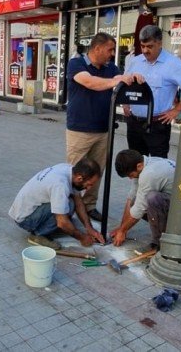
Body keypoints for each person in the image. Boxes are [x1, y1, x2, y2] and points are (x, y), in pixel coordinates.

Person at [66, 32, 143, 222]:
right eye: (109, 50)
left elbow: (122, 81)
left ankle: (89, 206)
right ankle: (67, 207)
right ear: (97, 48)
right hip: (80, 130)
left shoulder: (111, 68)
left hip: (104, 129)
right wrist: (116, 81)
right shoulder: (77, 64)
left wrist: (132, 78)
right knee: (74, 173)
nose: (111, 54)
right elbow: (90, 82)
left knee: (98, 172)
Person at [109, 149, 181, 253]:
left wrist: (123, 230)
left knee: (153, 198)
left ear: (138, 166)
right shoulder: (146, 163)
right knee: (138, 200)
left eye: (130, 175)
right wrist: (122, 228)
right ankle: (167, 237)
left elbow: (138, 211)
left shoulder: (150, 173)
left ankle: (160, 245)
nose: (130, 178)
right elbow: (131, 199)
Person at [8, 158, 106, 250]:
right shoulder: (60, 185)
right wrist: (82, 238)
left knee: (71, 203)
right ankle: (38, 234)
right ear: (80, 178)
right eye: (89, 184)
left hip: (25, 209)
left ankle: (52, 226)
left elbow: (78, 202)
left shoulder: (68, 169)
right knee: (67, 206)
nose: (89, 188)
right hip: (25, 219)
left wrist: (89, 228)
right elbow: (62, 222)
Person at [124, 26, 181, 158]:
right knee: (135, 163)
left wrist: (176, 110)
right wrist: (126, 104)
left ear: (160, 43)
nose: (145, 50)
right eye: (142, 46)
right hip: (134, 123)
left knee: (158, 165)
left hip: (157, 124)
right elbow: (126, 83)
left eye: (149, 46)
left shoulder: (174, 64)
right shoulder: (135, 61)